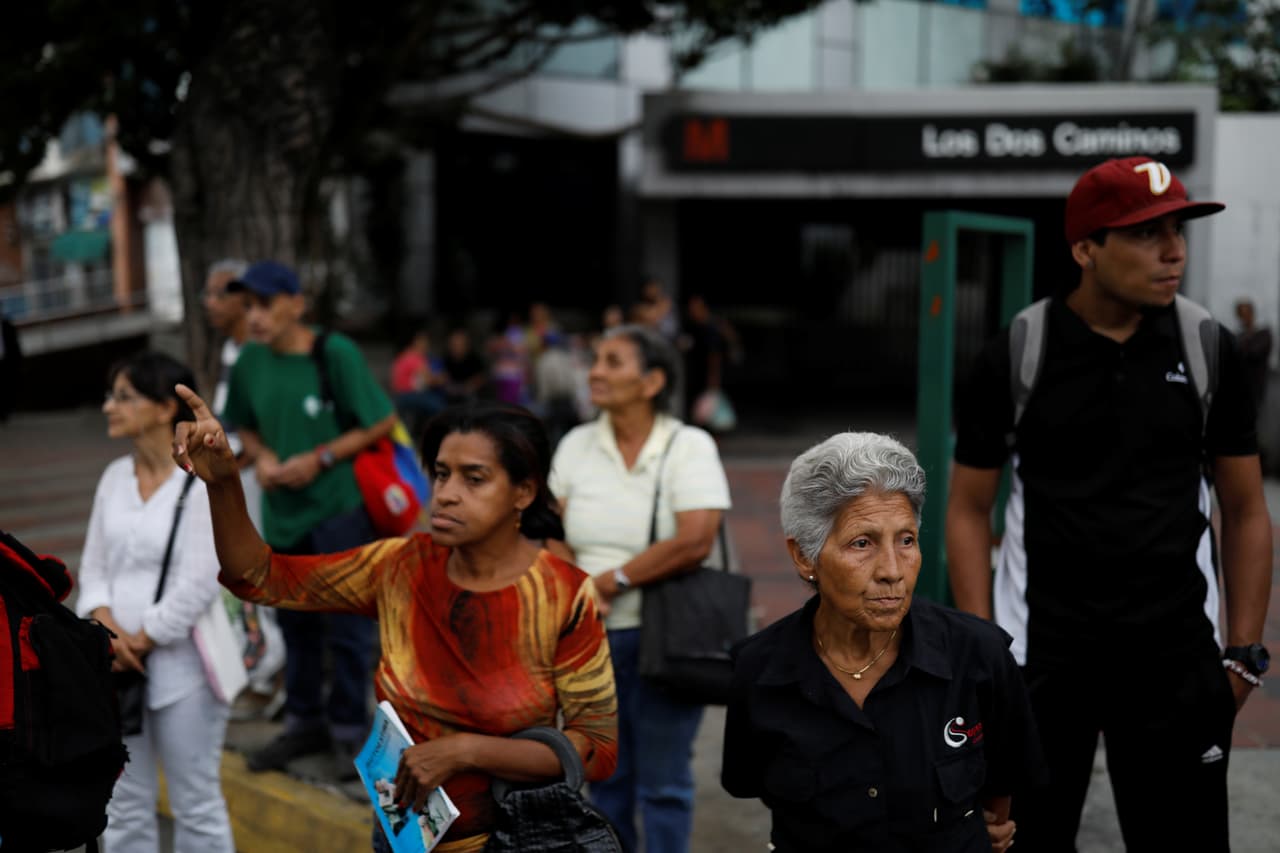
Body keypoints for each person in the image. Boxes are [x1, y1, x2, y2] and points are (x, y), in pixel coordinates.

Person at [946, 156, 1273, 851]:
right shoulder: (1017, 352)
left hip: (1175, 656)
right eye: (1147, 233)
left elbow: (1245, 509)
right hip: (1043, 657)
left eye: (1178, 228)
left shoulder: (1209, 348)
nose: (1174, 250)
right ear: (1086, 249)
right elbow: (968, 508)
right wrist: (984, 655)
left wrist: (1241, 655)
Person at [173, 394, 618, 852]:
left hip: (512, 841)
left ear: (523, 492)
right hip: (401, 835)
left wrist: (464, 752)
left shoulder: (564, 595)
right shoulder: (400, 568)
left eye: (474, 478)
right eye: (442, 474)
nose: (445, 493)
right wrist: (224, 483)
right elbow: (261, 578)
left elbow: (596, 748)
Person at [723, 432, 1042, 852]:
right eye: (862, 543)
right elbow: (753, 783)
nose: (892, 570)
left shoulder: (977, 654)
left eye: (906, 540)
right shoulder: (760, 670)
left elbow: (1004, 782)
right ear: (804, 556)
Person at [549, 324, 731, 853]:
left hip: (664, 640)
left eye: (613, 361)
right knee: (606, 780)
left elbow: (695, 538)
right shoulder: (579, 444)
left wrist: (610, 580)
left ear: (652, 381)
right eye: (596, 360)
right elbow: (546, 529)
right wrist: (581, 586)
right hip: (592, 638)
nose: (596, 371)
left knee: (665, 784)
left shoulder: (687, 445)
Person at [221, 260, 398, 775]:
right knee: (295, 627)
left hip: (339, 510)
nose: (255, 315)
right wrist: (267, 458)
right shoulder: (250, 361)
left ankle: (348, 730)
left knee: (346, 630)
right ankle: (302, 725)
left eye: (266, 303)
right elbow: (243, 425)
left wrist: (319, 458)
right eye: (248, 305)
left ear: (297, 303)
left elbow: (381, 419)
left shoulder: (333, 352)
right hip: (283, 517)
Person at [76, 352, 235, 853]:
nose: (108, 407)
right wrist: (107, 631)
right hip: (117, 669)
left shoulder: (198, 478)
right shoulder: (113, 479)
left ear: (167, 407)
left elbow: (205, 575)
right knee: (122, 803)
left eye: (124, 396)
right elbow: (94, 570)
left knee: (195, 802)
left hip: (185, 669)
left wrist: (143, 638)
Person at [203, 258, 285, 720]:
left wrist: (232, 467)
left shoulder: (258, 349)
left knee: (258, 573)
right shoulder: (234, 351)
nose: (211, 304)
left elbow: (260, 427)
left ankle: (272, 675)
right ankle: (260, 670)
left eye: (220, 293)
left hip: (252, 479)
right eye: (208, 295)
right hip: (234, 478)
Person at [390, 330, 446, 433]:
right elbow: (430, 379)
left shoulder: (406, 354)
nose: (426, 345)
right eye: (423, 341)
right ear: (415, 342)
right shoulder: (413, 357)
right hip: (407, 395)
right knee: (440, 407)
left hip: (403, 395)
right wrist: (440, 378)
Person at [1234, 297, 1272, 415]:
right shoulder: (1239, 335)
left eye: (1246, 313)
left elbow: (1254, 353)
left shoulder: (1263, 333)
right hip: (1239, 387)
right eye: (1241, 314)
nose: (1244, 318)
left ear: (1252, 313)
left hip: (1255, 385)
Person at [442, 327, 488, 405]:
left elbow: (482, 377)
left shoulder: (475, 359)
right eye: (454, 344)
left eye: (460, 344)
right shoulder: (445, 359)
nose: (456, 347)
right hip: (450, 393)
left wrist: (470, 385)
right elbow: (442, 377)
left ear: (466, 345)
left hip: (470, 393)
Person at [0, 306, 21, 422]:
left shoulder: (7, 325)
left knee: (7, 387)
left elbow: (15, 344)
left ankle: (5, 413)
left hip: (5, 361)